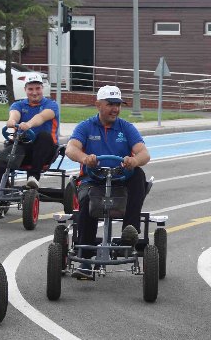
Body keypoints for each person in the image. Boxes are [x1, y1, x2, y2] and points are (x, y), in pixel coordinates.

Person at [65, 85, 151, 279]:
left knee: (139, 176)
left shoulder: (126, 128)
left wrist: (134, 161)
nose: (116, 109)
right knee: (87, 200)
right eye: (111, 104)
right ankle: (86, 260)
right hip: (93, 179)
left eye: (118, 105)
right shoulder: (85, 127)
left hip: (121, 179)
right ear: (98, 105)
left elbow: (144, 153)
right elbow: (71, 148)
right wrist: (85, 158)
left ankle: (130, 233)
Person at [0, 74, 59, 189]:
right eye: (31, 89)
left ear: (42, 88)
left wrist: (28, 124)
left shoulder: (51, 105)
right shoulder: (19, 105)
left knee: (43, 136)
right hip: (23, 148)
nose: (34, 92)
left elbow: (41, 117)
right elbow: (14, 114)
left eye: (37, 88)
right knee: (0, 160)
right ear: (25, 90)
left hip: (45, 151)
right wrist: (12, 121)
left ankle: (33, 177)